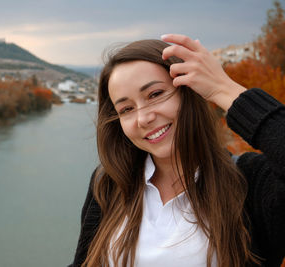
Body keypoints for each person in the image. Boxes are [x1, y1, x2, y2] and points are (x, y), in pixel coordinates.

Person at [68, 34, 285, 267]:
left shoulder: (249, 182)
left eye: (155, 94)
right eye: (126, 108)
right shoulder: (109, 184)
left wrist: (224, 89)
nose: (143, 118)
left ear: (189, 92)